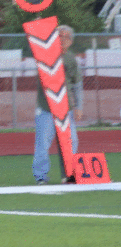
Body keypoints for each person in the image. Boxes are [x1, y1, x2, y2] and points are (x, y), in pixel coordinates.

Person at [32, 25, 83, 185]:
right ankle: (41, 176)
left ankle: (68, 174)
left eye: (66, 38)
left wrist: (78, 106)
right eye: (59, 37)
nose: (63, 40)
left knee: (71, 141)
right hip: (46, 107)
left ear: (71, 41)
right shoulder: (45, 55)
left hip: (65, 108)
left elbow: (77, 84)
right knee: (43, 142)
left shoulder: (70, 58)